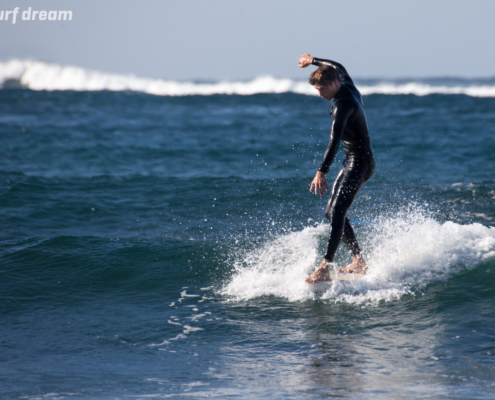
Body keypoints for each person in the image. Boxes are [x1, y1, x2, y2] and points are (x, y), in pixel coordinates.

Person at [298, 53, 375, 283]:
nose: (321, 94)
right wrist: (313, 60)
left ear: (334, 83)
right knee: (331, 213)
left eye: (323, 89)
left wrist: (321, 171)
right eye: (317, 90)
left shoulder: (344, 105)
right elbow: (337, 64)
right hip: (353, 160)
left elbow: (334, 141)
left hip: (359, 163)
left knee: (338, 212)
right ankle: (358, 261)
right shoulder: (345, 81)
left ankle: (325, 265)